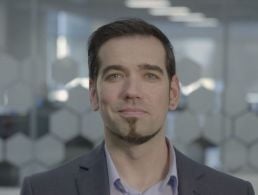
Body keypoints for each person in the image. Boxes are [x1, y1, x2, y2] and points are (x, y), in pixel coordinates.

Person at [21, 18, 255, 195]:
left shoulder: (232, 192)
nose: (132, 91)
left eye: (150, 76)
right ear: (93, 94)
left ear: (173, 93)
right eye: (115, 75)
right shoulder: (43, 190)